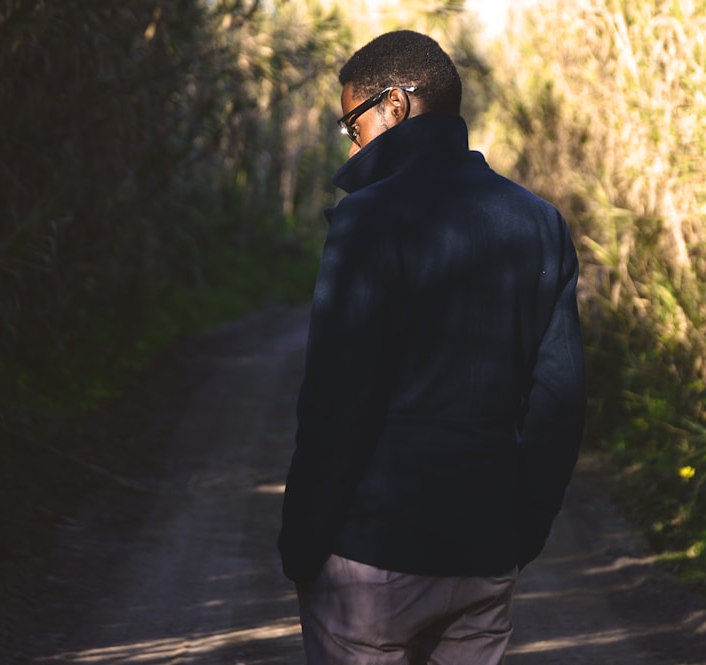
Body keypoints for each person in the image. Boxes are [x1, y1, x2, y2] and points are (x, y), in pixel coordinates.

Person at [278, 29, 584, 665]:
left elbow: (337, 402)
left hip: (372, 559)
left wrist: (304, 544)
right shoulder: (539, 223)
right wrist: (519, 533)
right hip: (484, 555)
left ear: (394, 104)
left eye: (351, 122)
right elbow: (559, 400)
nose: (352, 139)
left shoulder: (368, 218)